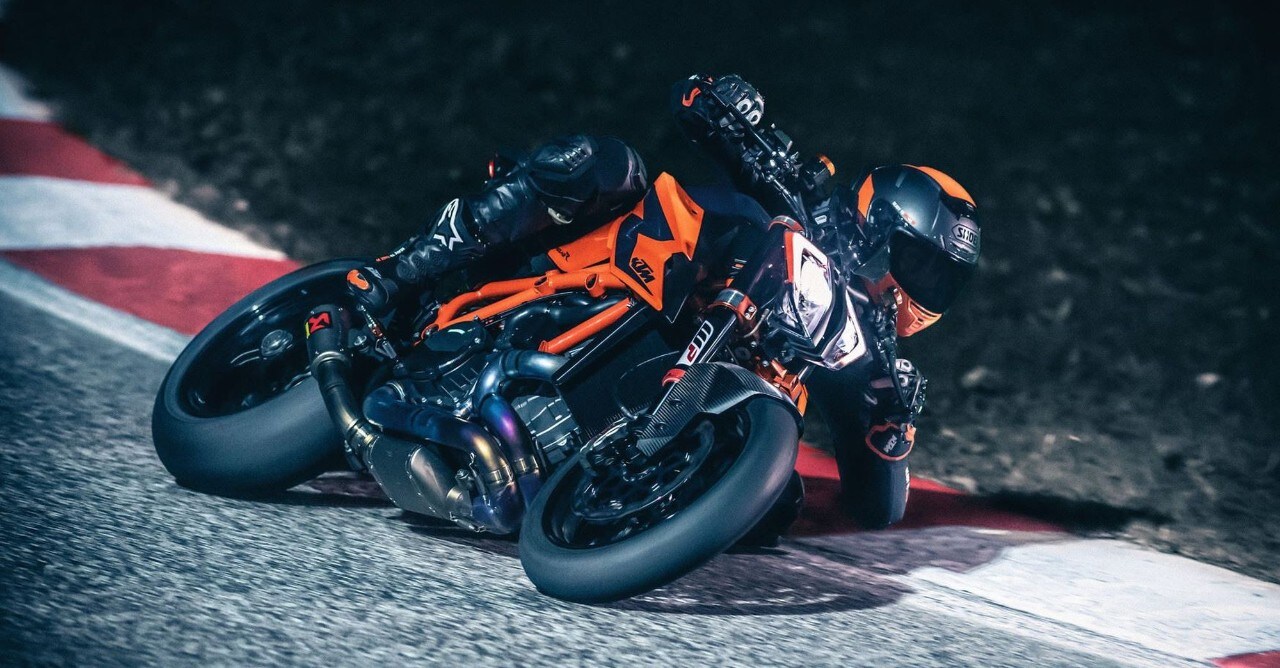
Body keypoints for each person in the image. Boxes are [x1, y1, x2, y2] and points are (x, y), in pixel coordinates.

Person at [345, 74, 981, 536]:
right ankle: (396, 275)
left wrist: (895, 424)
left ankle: (613, 497)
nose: (923, 289)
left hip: (693, 397)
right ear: (879, 226)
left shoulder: (866, 358)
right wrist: (726, 104)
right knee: (604, 165)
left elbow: (878, 508)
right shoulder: (802, 196)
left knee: (778, 505)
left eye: (941, 282)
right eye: (920, 264)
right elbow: (693, 101)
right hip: (614, 275)